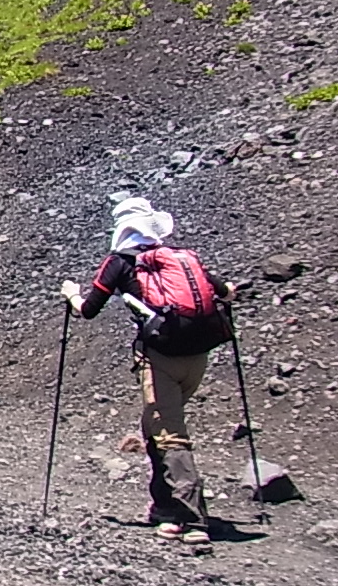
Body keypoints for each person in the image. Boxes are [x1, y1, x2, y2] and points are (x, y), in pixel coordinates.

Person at [59, 196, 231, 546]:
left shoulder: (119, 263)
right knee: (154, 426)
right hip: (197, 355)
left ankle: (192, 519)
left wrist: (71, 295)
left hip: (160, 358)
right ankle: (164, 507)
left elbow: (89, 310)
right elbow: (226, 292)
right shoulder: (181, 258)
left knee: (169, 432)